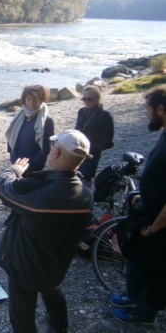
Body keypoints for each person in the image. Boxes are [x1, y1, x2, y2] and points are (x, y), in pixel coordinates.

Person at [0, 130, 94, 333]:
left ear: (55, 153)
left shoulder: (34, 189)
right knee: (52, 292)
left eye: (51, 149)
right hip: (56, 264)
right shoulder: (86, 195)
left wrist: (13, 170)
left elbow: (2, 188)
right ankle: (61, 328)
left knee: (22, 314)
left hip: (25, 267)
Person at [110, 85, 166, 326]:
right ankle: (132, 296)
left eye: (148, 108)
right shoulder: (164, 132)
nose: (145, 113)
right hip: (147, 210)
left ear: (161, 109)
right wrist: (142, 194)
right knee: (137, 260)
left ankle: (144, 314)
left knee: (155, 271)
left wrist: (153, 228)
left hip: (158, 223)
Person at [5, 84, 54, 175]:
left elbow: (46, 148)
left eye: (35, 99)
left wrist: (33, 164)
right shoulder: (20, 116)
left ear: (41, 100)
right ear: (25, 100)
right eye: (29, 99)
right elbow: (11, 136)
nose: (31, 102)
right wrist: (12, 156)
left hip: (34, 167)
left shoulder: (47, 121)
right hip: (16, 162)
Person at [75, 85, 114, 186]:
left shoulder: (105, 115)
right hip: (79, 149)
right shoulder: (82, 112)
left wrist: (95, 148)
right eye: (84, 99)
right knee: (76, 175)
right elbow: (77, 129)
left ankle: (86, 198)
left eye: (89, 99)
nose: (86, 101)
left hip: (92, 152)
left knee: (85, 177)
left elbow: (108, 138)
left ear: (97, 98)